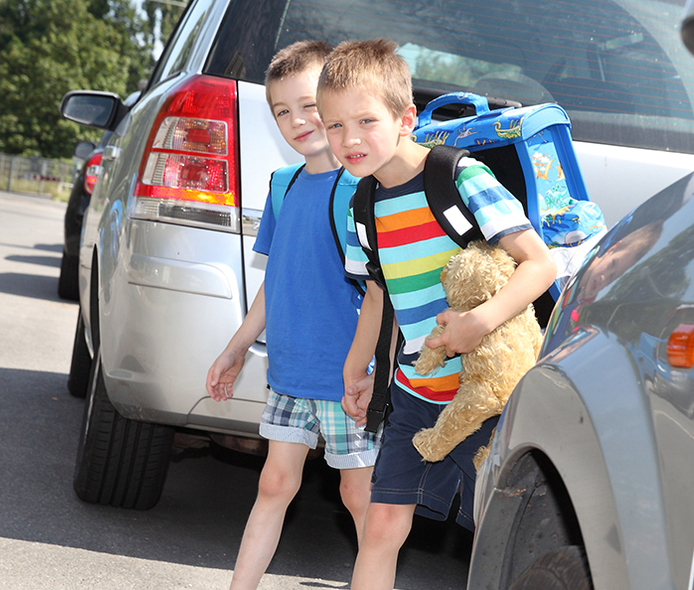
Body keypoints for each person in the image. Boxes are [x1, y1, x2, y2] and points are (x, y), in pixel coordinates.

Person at [316, 39, 557, 590]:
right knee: (381, 524)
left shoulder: (457, 177)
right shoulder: (361, 205)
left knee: (492, 535)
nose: (349, 140)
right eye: (334, 126)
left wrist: (481, 320)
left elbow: (538, 263)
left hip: (489, 393)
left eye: (365, 121)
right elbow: (377, 296)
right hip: (416, 391)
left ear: (405, 119)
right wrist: (358, 371)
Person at [205, 39, 381, 590]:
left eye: (308, 105)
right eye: (281, 110)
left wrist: (371, 370)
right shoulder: (282, 186)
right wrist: (236, 349)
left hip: (348, 377)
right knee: (273, 485)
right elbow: (274, 285)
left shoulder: (364, 188)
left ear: (333, 103)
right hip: (289, 373)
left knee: (362, 498)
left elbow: (382, 291)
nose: (297, 120)